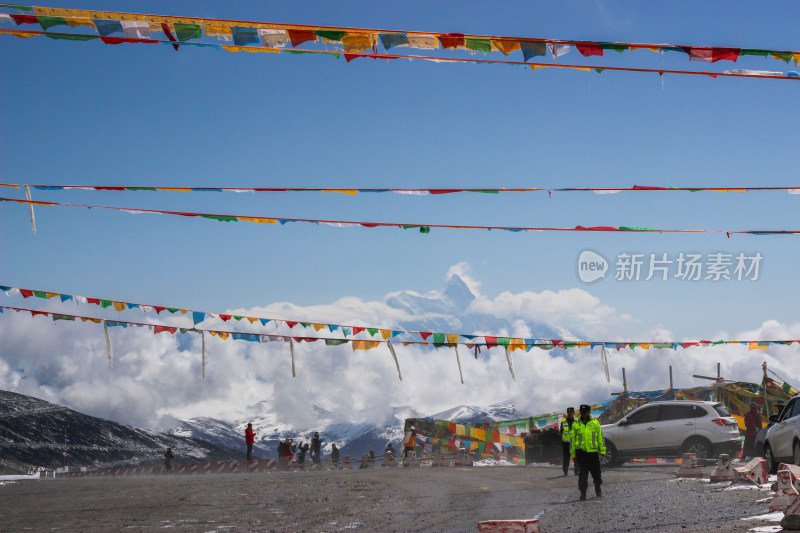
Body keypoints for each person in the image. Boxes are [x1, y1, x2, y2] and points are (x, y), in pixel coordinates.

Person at [571, 404, 605, 501]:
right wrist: (573, 454)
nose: (583, 414)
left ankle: (598, 489)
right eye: (581, 412)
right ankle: (583, 493)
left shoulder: (595, 423)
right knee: (583, 475)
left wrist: (602, 450)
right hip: (581, 453)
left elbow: (600, 438)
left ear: (589, 412)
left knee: (597, 473)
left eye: (585, 412)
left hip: (593, 453)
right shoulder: (575, 424)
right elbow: (572, 440)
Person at [560, 407, 578, 476]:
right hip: (566, 443)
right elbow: (561, 432)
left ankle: (577, 471)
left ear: (573, 413)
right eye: (568, 413)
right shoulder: (563, 421)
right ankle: (565, 471)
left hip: (574, 442)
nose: (570, 414)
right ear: (567, 413)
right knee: (566, 458)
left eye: (571, 412)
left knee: (576, 457)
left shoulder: (577, 421)